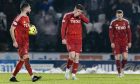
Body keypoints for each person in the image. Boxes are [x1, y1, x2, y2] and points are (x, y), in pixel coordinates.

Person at [9, 2, 41, 82]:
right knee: (26, 58)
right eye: (29, 7)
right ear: (25, 8)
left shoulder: (27, 17)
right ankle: (33, 77)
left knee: (22, 60)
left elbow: (27, 29)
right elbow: (11, 29)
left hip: (26, 41)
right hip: (20, 42)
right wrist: (14, 41)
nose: (30, 9)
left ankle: (13, 77)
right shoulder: (19, 17)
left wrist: (33, 31)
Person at [61, 4, 89, 80]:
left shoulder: (80, 16)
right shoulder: (67, 15)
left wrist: (81, 15)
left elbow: (87, 21)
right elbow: (63, 28)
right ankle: (67, 71)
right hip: (70, 38)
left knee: (77, 57)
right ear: (75, 9)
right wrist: (63, 38)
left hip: (79, 39)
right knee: (72, 56)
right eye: (78, 11)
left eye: (81, 12)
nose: (79, 13)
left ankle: (73, 75)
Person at [109, 10, 132, 77]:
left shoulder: (126, 22)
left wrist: (130, 42)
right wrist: (112, 42)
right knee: (117, 57)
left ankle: (122, 69)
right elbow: (110, 33)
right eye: (118, 15)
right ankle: (119, 73)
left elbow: (129, 33)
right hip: (116, 42)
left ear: (122, 15)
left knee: (125, 57)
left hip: (124, 42)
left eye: (120, 15)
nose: (119, 17)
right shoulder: (113, 22)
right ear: (116, 15)